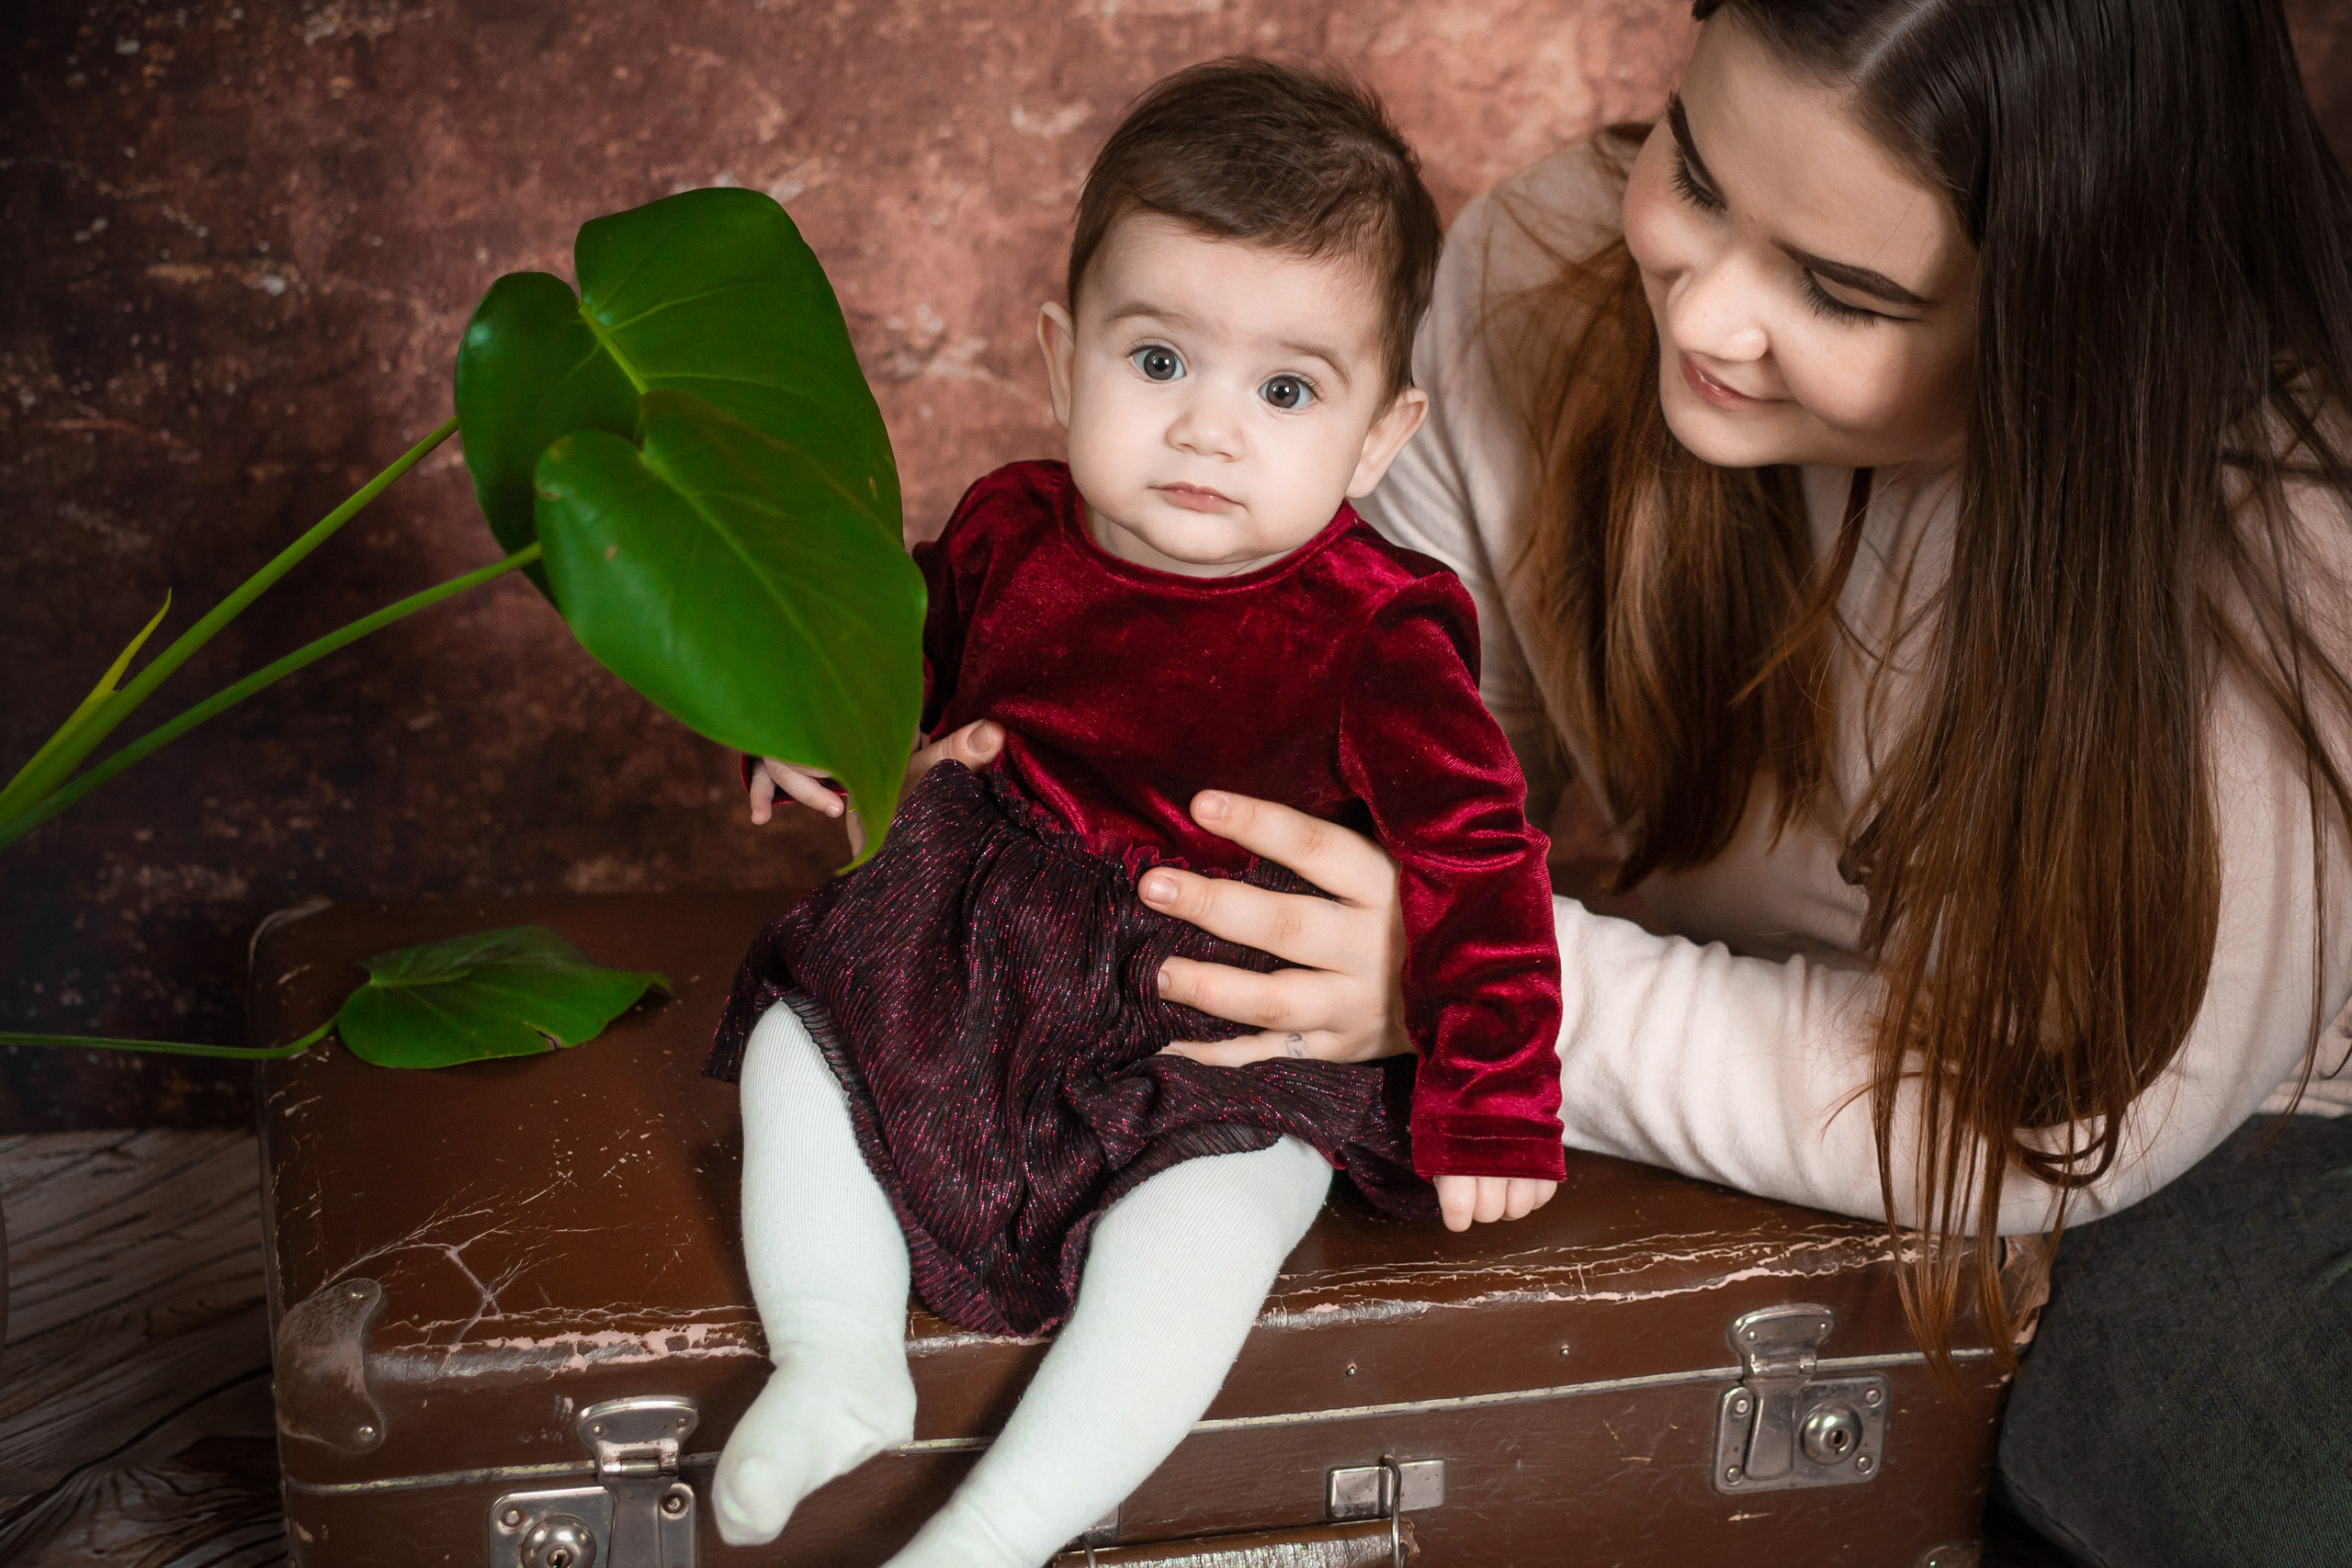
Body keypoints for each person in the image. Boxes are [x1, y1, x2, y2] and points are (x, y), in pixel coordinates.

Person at [925, 3, 2352, 1562]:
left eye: (1844, 291)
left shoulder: (2267, 558)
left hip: (2196, 1138)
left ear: (2070, 322)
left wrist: (1482, 980)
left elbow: (2039, 1115)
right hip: (1731, 1030)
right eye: (1698, 166)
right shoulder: (1544, 263)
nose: (1708, 311)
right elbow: (1358, 726)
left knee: (2195, 1433)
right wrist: (1041, 751)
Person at [704, 59, 1568, 1565]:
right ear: (1062, 359)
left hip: (1216, 1026)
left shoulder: (1378, 632)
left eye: (1287, 389)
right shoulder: (1005, 530)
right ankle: (834, 1356)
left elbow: (1481, 861)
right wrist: (822, 733)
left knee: (1221, 1222)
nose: (1208, 431)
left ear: (1379, 437)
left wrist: (1496, 1087)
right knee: (799, 1036)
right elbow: (888, 646)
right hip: (978, 948)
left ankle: (997, 1529)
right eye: (1159, 360)